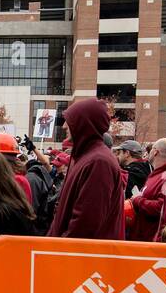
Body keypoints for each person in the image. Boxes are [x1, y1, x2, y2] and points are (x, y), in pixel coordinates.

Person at [47, 98, 125, 240]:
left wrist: (59, 249)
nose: (64, 126)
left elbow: (85, 224)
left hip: (81, 257)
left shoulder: (98, 162)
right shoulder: (85, 157)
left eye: (70, 121)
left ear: (84, 124)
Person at [129, 137, 166, 242]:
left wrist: (138, 200)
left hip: (151, 239)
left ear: (155, 152)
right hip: (145, 236)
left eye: (151, 149)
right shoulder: (159, 174)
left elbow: (163, 207)